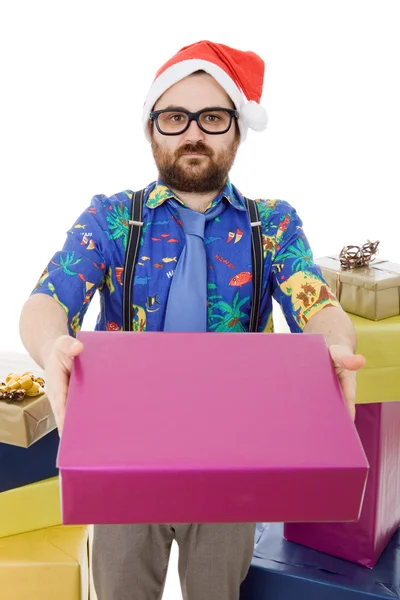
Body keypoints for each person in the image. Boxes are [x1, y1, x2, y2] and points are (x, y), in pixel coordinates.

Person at [19, 40, 365, 600]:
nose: (193, 133)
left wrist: (334, 346)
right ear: (153, 129)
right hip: (124, 455)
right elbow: (45, 301)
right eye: (175, 117)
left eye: (212, 117)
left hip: (232, 458)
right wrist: (52, 343)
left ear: (236, 130)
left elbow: (317, 305)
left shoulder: (271, 225)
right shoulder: (111, 218)